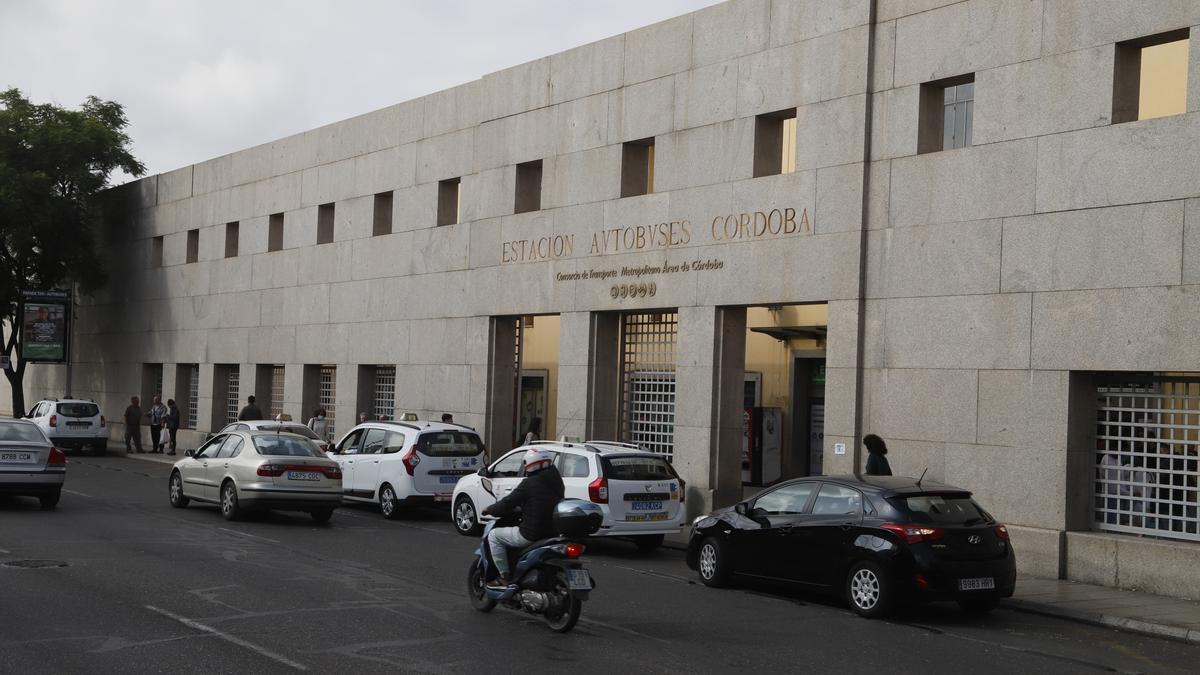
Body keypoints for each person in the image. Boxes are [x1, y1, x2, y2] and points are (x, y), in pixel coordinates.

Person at [480, 448, 564, 589]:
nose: (524, 466)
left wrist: (490, 509)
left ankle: (504, 576)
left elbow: (508, 503)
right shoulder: (556, 481)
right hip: (552, 533)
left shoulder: (530, 483)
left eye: (525, 463)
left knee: (494, 536)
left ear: (531, 464)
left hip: (531, 533)